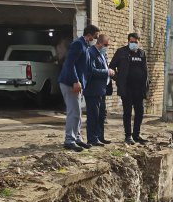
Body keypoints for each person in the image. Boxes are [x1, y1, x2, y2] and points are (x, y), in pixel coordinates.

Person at [58, 24, 100, 152]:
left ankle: (77, 138)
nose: (96, 39)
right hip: (70, 83)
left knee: (78, 113)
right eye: (96, 36)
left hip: (77, 84)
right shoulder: (78, 44)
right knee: (73, 112)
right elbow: (70, 64)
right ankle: (69, 140)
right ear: (89, 35)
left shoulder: (85, 46)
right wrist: (76, 81)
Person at [109, 32, 149, 145]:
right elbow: (111, 67)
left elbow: (145, 70)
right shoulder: (121, 52)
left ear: (139, 42)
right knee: (127, 112)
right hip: (127, 88)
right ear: (128, 41)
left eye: (135, 42)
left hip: (139, 88)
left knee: (140, 112)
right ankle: (128, 136)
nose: (133, 44)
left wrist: (146, 84)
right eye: (131, 42)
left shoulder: (142, 53)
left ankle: (136, 134)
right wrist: (118, 79)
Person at [84, 34, 115, 146]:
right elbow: (91, 70)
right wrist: (107, 72)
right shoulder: (91, 53)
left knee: (101, 114)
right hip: (93, 90)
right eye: (106, 45)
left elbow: (104, 67)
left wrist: (109, 70)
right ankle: (92, 138)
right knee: (93, 115)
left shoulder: (102, 54)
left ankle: (100, 136)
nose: (107, 47)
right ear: (100, 43)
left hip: (102, 90)